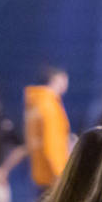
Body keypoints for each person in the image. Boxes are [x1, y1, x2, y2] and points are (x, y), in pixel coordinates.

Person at [24, 65, 72, 193]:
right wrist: (60, 174)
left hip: (40, 172)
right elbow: (51, 142)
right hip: (52, 176)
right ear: (56, 79)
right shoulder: (50, 107)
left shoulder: (36, 103)